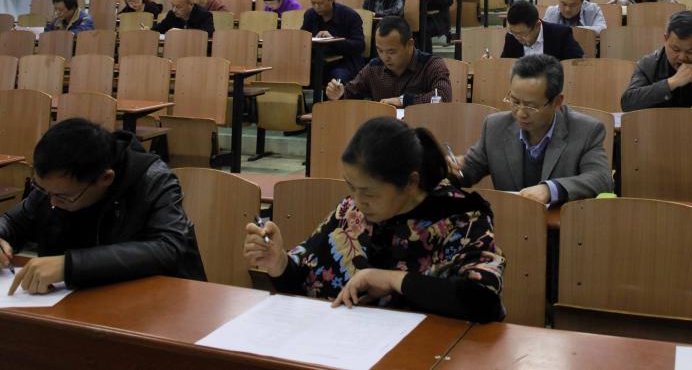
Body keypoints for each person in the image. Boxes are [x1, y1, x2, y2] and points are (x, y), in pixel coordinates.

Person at [242, 117, 504, 322]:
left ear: (410, 183)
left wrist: (391, 280)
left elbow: (483, 300)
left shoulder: (461, 217)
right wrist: (278, 263)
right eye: (350, 186)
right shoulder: (352, 212)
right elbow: (304, 278)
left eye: (369, 192)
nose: (357, 201)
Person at [0, 119, 206, 293]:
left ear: (106, 178)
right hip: (73, 302)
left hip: (155, 302)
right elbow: (12, 223)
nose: (52, 201)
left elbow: (168, 248)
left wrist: (69, 266)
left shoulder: (152, 180)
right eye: (43, 190)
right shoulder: (55, 186)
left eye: (63, 197)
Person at [454, 54, 613, 204]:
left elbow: (601, 179)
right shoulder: (495, 126)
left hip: (561, 222)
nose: (521, 113)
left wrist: (551, 189)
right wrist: (452, 169)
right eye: (515, 102)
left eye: (531, 106)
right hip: (510, 219)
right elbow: (469, 170)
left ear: (557, 102)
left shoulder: (586, 130)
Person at [325, 17, 452, 108]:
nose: (385, 58)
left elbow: (443, 98)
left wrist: (404, 101)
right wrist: (339, 94)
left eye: (392, 52)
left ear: (410, 45)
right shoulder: (374, 67)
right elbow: (350, 92)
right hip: (383, 133)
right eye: (380, 50)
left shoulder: (431, 65)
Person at [300, 0, 365, 83]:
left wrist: (334, 40)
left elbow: (359, 45)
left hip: (344, 61)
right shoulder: (310, 14)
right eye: (313, 3)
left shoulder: (349, 15)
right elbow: (302, 39)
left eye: (320, 3)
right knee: (297, 71)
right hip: (318, 60)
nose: (316, 7)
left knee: (337, 78)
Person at [501, 0, 584, 61]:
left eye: (522, 34)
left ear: (537, 25)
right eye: (514, 33)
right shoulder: (511, 38)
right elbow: (505, 66)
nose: (518, 38)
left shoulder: (561, 34)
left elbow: (576, 64)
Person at [542, 0, 607, 34]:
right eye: (564, 4)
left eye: (573, 5)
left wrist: (574, 30)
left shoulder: (593, 9)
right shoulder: (551, 11)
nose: (567, 9)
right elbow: (542, 32)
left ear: (582, 1)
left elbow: (602, 29)